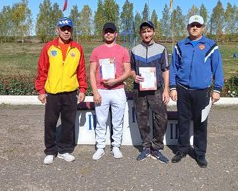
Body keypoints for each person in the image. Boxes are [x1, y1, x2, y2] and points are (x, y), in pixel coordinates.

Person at [170, 15, 224, 168]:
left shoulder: (211, 45)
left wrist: (217, 89)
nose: (195, 28)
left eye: (198, 25)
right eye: (192, 25)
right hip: (182, 89)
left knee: (201, 123)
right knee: (183, 121)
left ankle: (200, 153)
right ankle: (182, 150)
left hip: (202, 91)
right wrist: (173, 87)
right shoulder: (180, 45)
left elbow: (218, 69)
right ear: (188, 27)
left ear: (202, 28)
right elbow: (173, 68)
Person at [35, 17, 88, 165]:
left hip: (70, 93)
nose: (66, 31)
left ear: (71, 30)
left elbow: (81, 71)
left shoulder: (77, 48)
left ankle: (65, 150)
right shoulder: (49, 47)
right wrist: (41, 90)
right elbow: (42, 70)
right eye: (63, 29)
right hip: (52, 93)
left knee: (68, 123)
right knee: (50, 123)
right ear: (57, 30)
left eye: (68, 29)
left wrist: (82, 88)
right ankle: (50, 151)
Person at [130, 21, 170, 164]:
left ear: (153, 32)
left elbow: (165, 70)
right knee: (142, 118)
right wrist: (134, 76)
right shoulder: (134, 50)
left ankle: (157, 147)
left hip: (157, 90)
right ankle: (146, 147)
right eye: (144, 32)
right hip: (139, 90)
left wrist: (166, 89)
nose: (146, 34)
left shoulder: (161, 49)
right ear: (140, 34)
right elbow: (132, 69)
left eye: (149, 31)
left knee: (161, 118)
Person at [90, 22, 131, 160]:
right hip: (102, 91)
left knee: (117, 121)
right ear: (103, 33)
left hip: (118, 90)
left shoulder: (123, 50)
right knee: (101, 121)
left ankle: (116, 146)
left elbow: (127, 71)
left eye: (111, 32)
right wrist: (95, 92)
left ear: (116, 34)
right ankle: (100, 147)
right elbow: (91, 72)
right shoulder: (97, 51)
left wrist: (116, 81)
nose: (108, 34)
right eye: (106, 31)